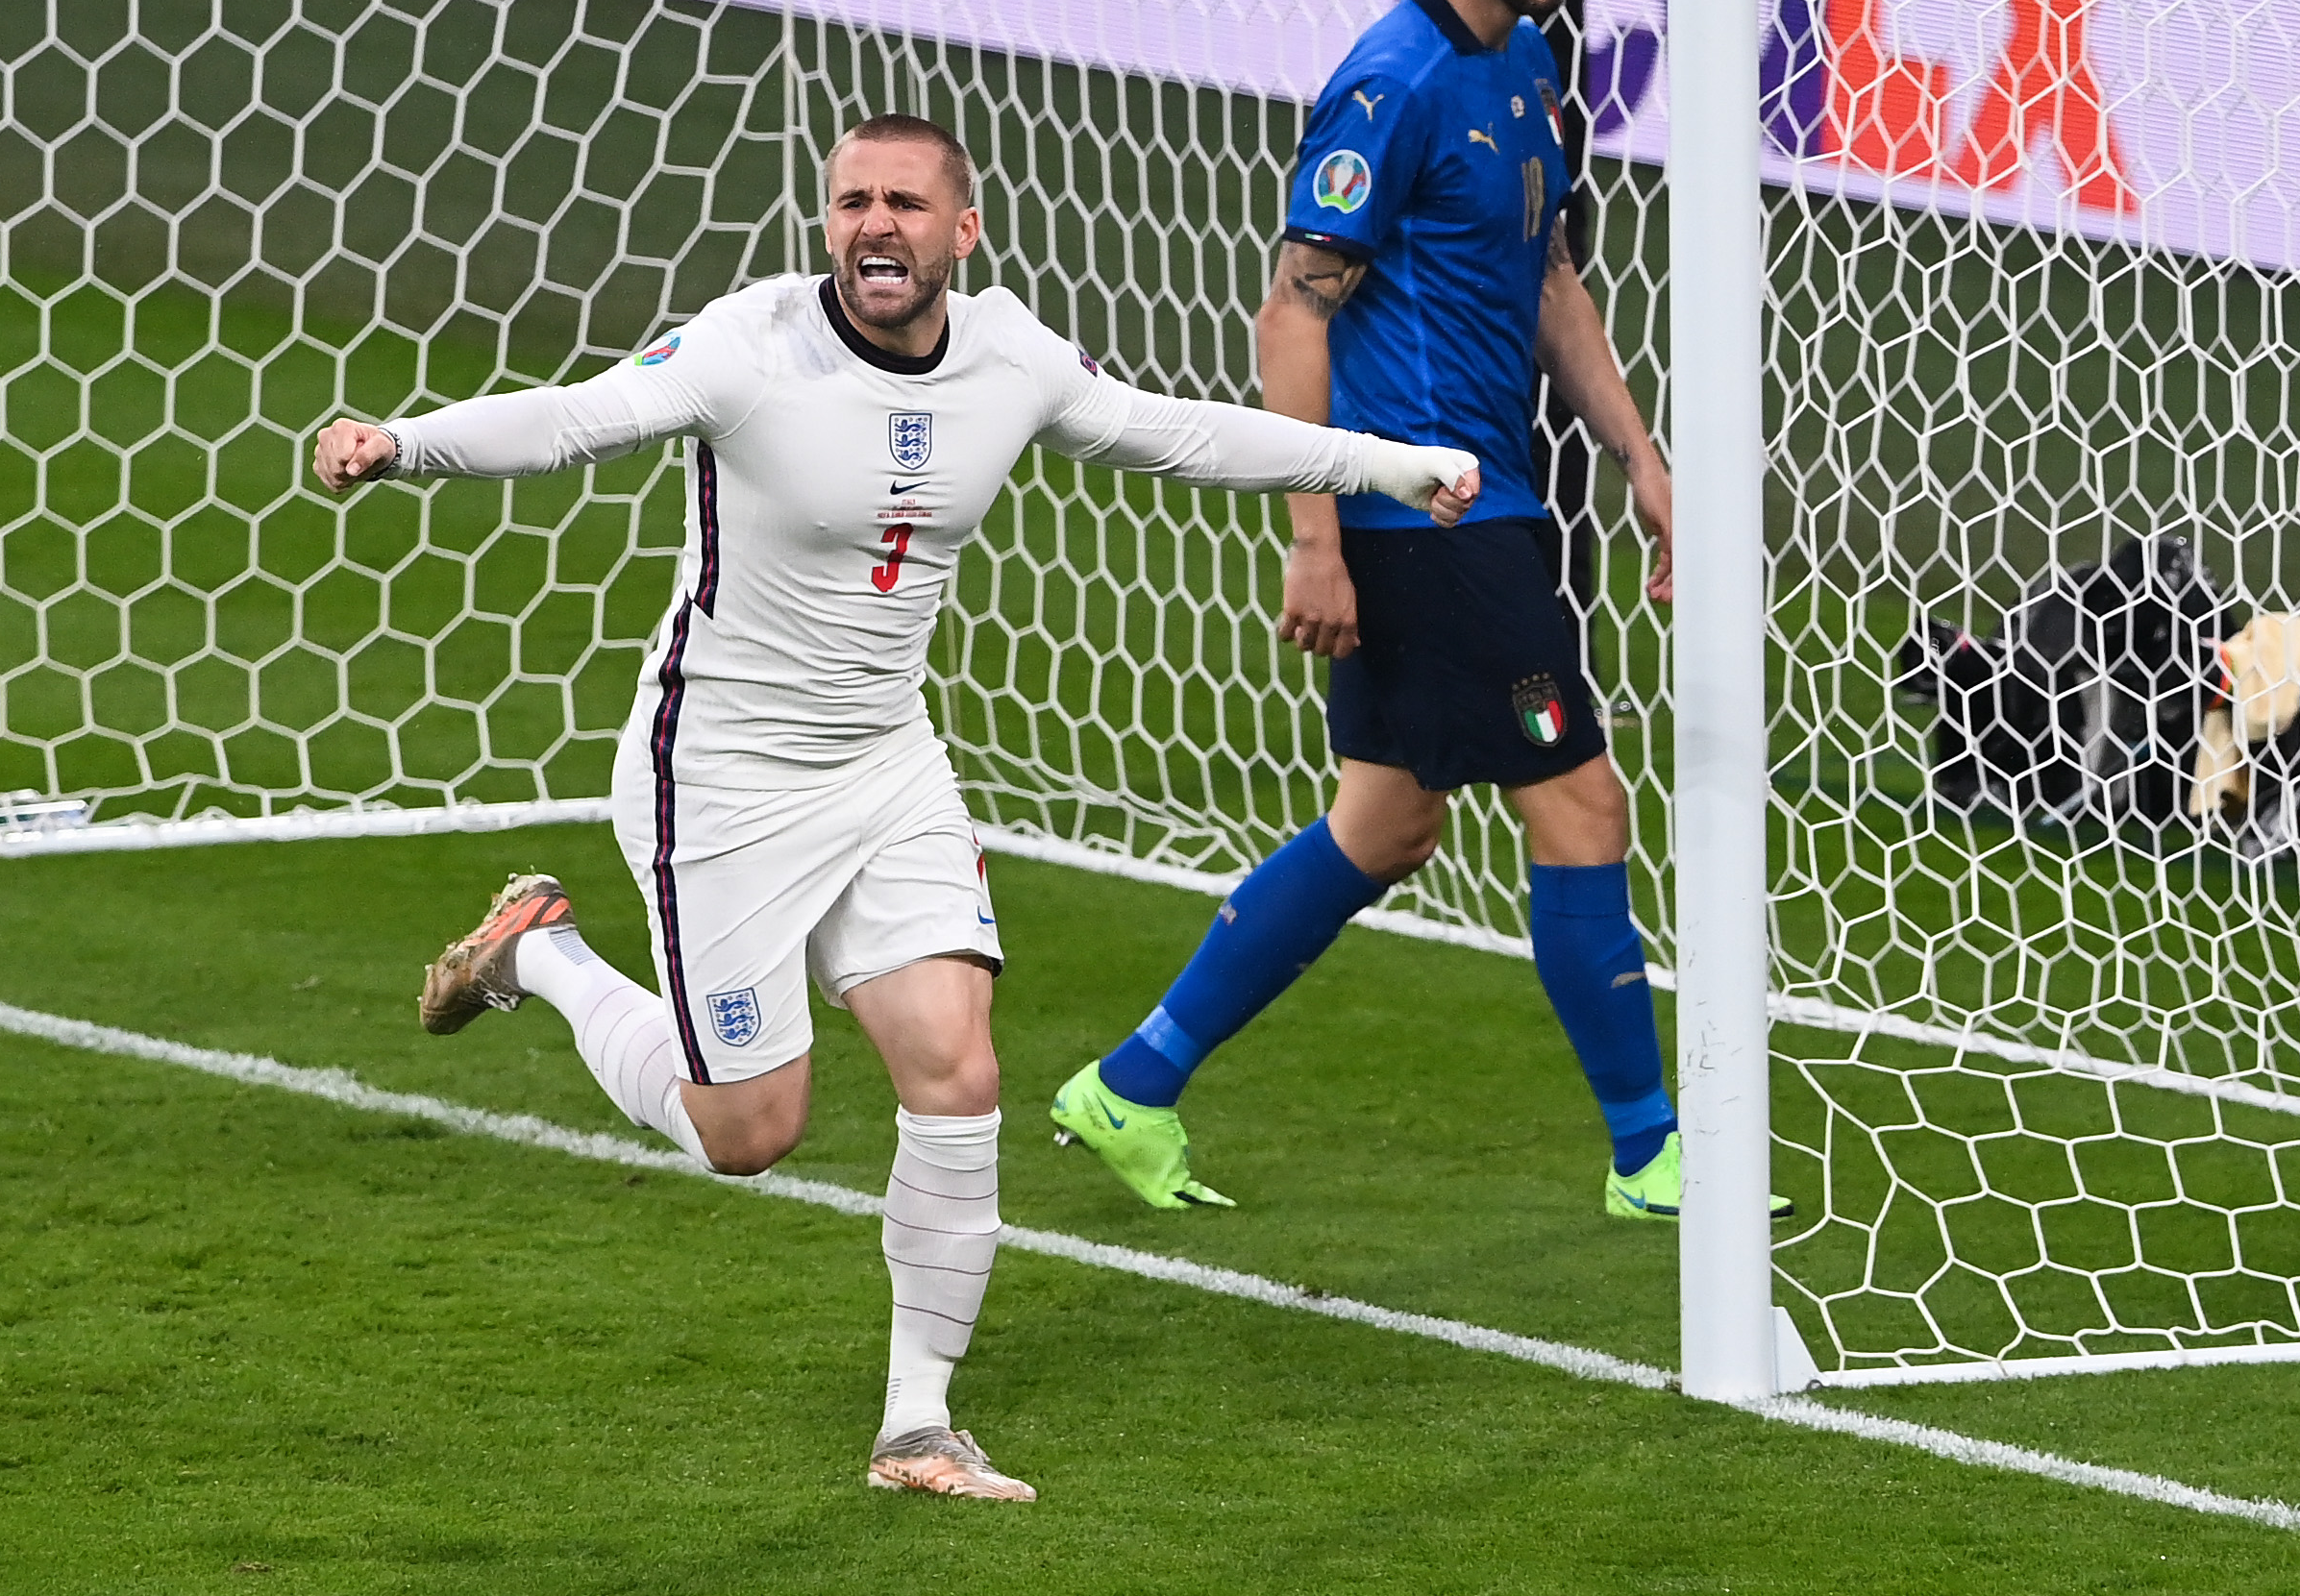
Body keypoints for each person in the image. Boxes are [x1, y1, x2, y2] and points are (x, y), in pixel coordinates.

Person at [309, 115, 1477, 1504]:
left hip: (885, 765)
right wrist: (403, 446)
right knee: (750, 1134)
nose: (877, 224)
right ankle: (542, 952)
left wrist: (1380, 461)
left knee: (956, 1068)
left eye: (906, 203)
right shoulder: (745, 347)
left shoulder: (1012, 358)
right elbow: (570, 417)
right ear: (827, 224)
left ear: (959, 233)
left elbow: (1170, 435)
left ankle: (916, 1425)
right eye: (852, 200)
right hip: (723, 779)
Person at [1052, 0, 1792, 1225]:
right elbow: (1292, 309)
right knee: (1578, 799)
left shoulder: (1525, 68)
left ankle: (1134, 1083)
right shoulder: (1385, 87)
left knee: (1386, 823)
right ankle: (1651, 1154)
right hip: (1421, 513)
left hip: (1497, 501)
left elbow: (1552, 281)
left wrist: (1643, 460)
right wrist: (1315, 527)